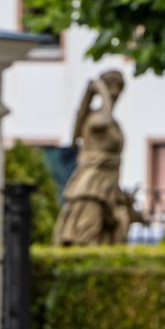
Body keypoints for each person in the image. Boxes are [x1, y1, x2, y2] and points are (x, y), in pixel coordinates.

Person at [53, 69, 133, 245]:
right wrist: (101, 93)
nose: (115, 94)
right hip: (92, 184)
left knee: (110, 232)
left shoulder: (112, 121)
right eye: (113, 89)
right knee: (88, 232)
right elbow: (103, 121)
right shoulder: (96, 119)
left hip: (108, 183)